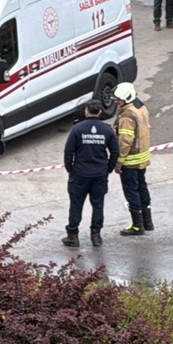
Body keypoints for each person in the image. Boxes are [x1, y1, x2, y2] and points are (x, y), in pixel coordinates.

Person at [62, 100, 119, 248]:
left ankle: (73, 236)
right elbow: (115, 152)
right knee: (98, 205)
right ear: (100, 112)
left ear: (86, 111)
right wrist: (108, 168)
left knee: (76, 205)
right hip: (99, 174)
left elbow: (69, 152)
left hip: (80, 174)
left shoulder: (77, 129)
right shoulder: (107, 130)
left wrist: (70, 169)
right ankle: (96, 235)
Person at [112, 82, 153, 236]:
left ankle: (137, 225)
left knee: (131, 191)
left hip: (130, 159)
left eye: (118, 99)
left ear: (126, 98)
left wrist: (119, 162)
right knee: (142, 187)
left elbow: (125, 141)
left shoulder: (127, 115)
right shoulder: (140, 108)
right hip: (142, 157)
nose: (116, 102)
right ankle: (147, 222)